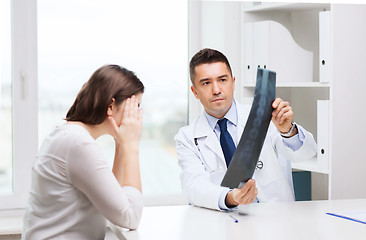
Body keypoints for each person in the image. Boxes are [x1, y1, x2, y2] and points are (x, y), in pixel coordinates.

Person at [175, 48, 317, 211]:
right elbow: (194, 187)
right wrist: (231, 197)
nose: (216, 90)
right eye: (206, 83)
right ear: (195, 92)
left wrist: (287, 131)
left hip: (274, 221)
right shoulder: (186, 138)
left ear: (233, 82)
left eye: (222, 80)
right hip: (224, 225)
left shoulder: (266, 116)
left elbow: (307, 154)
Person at [22, 65, 145, 239]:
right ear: (111, 105)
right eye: (135, 106)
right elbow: (130, 217)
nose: (138, 115)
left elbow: (115, 200)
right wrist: (132, 145)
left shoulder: (68, 136)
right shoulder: (78, 144)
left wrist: (121, 143)